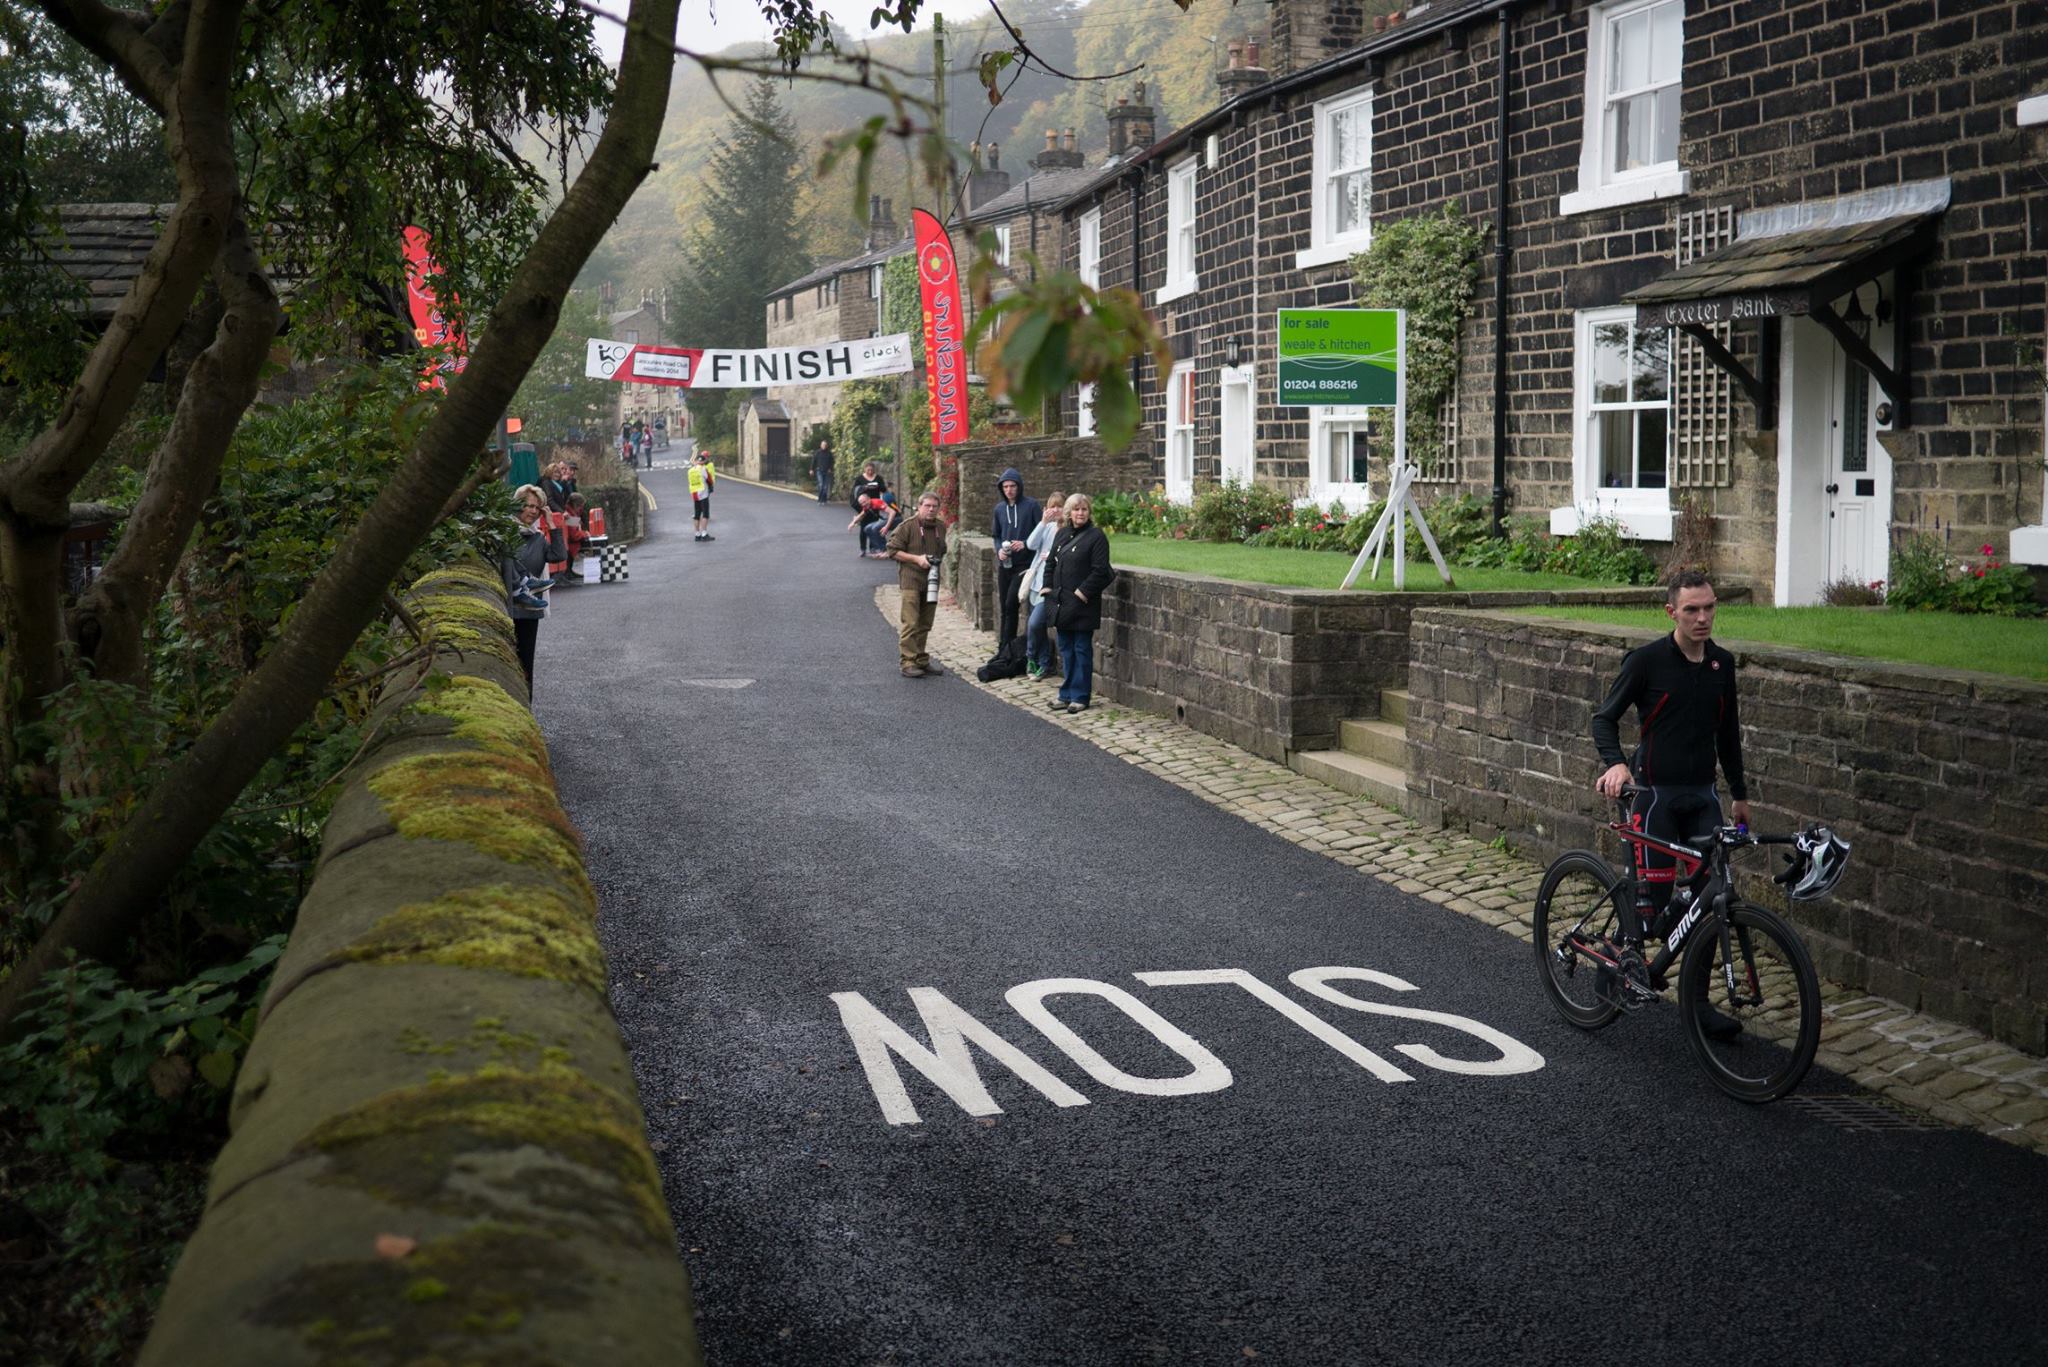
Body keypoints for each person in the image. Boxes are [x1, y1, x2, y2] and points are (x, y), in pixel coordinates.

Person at [1590, 568, 1749, 1032]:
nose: (1703, 618)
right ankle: (1613, 961)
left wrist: (1739, 794)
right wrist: (1616, 763)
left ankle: (1697, 1005)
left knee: (1707, 900)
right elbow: (1604, 719)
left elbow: (1729, 735)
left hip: (1703, 797)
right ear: (1671, 612)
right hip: (1655, 796)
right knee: (1652, 905)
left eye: (1710, 607)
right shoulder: (1646, 661)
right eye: (1692, 610)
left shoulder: (1722, 665)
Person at [1042, 492, 1113, 714]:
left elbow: (1101, 571)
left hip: (1083, 604)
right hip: (1061, 602)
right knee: (1066, 648)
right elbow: (1050, 564)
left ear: (1089, 512)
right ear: (1069, 513)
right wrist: (1047, 588)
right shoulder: (1062, 534)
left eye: (1084, 509)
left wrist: (1082, 593)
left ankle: (1080, 696)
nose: (1080, 513)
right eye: (1076, 509)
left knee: (1081, 649)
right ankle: (1065, 694)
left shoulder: (1096, 537)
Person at [501, 484, 566, 690]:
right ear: (517, 506)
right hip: (507, 608)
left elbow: (559, 556)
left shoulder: (539, 538)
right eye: (527, 506)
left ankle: (525, 708)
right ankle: (523, 583)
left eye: (536, 508)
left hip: (529, 611)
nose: (532, 511)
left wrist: (552, 525)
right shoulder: (505, 533)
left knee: (526, 664)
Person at [886, 492, 949, 678]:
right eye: (927, 506)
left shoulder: (940, 527)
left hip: (931, 581)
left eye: (934, 506)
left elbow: (942, 550)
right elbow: (892, 550)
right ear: (919, 506)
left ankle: (921, 659)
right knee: (911, 623)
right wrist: (916, 559)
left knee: (925, 623)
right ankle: (907, 662)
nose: (931, 509)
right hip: (911, 580)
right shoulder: (907, 526)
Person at [989, 467, 1043, 648]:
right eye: (1005, 487)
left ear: (1019, 486)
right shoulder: (999, 509)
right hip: (1005, 564)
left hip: (1025, 565)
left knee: (1012, 603)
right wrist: (999, 550)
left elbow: (1041, 532)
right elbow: (996, 535)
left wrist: (1025, 543)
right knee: (1005, 606)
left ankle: (1007, 646)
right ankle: (1005, 646)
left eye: (1013, 486)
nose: (1009, 490)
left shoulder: (1032, 506)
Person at [1020, 492, 1066, 680]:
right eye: (1052, 506)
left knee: (1035, 623)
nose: (1055, 510)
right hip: (1036, 582)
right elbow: (1030, 544)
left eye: (1059, 506)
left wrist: (1054, 555)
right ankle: (1045, 662)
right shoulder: (1046, 527)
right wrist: (1042, 523)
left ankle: (1031, 657)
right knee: (1037, 628)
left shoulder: (1066, 528)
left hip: (1050, 584)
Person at [849, 460, 888, 558]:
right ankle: (862, 549)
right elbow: (855, 490)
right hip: (864, 505)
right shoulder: (860, 478)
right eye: (868, 470)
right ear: (865, 469)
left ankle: (873, 547)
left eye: (871, 470)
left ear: (874, 469)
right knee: (863, 528)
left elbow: (884, 489)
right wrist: (865, 487)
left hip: (875, 505)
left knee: (873, 527)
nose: (870, 472)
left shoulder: (878, 478)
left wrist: (878, 486)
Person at [688, 450, 717, 541]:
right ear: (704, 462)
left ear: (696, 461)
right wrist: (710, 486)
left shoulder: (690, 470)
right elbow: (710, 480)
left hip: (694, 494)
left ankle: (697, 534)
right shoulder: (703, 469)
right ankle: (704, 533)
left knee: (696, 514)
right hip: (703, 494)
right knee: (705, 514)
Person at [813, 436, 835, 503]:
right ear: (820, 445)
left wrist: (830, 469)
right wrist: (811, 469)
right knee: (821, 484)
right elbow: (814, 461)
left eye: (825, 445)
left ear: (827, 446)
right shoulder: (817, 453)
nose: (824, 446)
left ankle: (824, 499)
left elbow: (832, 462)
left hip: (827, 471)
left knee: (825, 487)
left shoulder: (829, 453)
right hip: (819, 471)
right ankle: (820, 499)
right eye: (823, 445)